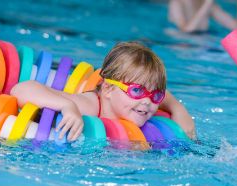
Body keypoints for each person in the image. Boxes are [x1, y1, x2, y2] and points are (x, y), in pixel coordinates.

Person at [10, 42, 196, 142]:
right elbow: (21, 89)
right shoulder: (89, 106)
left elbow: (160, 94)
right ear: (107, 88)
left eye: (156, 96)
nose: (148, 102)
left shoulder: (142, 101)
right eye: (136, 90)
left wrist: (178, 108)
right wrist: (67, 106)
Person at [168, 0, 237, 33]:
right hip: (180, 46)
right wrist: (207, 4)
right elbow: (186, 30)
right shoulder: (176, 3)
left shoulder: (207, 4)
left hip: (202, 44)